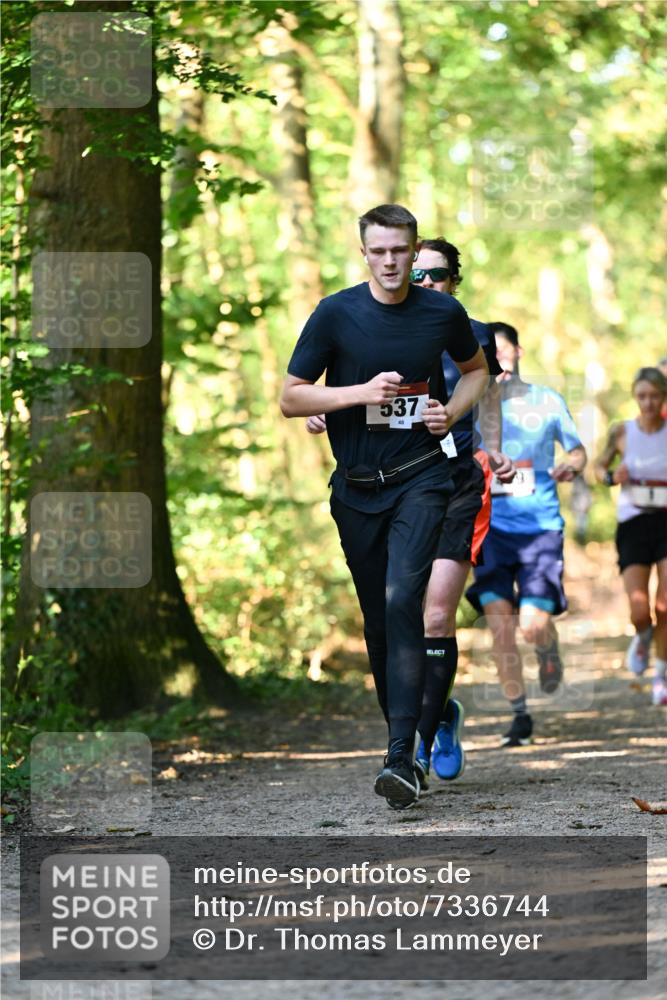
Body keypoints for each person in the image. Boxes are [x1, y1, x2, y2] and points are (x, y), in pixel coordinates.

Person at [280, 204, 489, 809]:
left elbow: (476, 373)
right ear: (364, 252)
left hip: (423, 476)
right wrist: (355, 395)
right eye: (380, 251)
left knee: (405, 600)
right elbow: (291, 398)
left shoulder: (443, 313)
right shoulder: (336, 314)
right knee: (379, 618)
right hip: (356, 489)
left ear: (413, 247)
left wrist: (448, 413)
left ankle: (402, 757)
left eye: (401, 250)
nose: (392, 262)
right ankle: (406, 733)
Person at [466, 322, 587, 746]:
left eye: (504, 351)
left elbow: (577, 451)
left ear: (518, 352)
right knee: (500, 626)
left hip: (539, 529)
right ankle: (519, 715)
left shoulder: (547, 400)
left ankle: (546, 644)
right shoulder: (472, 404)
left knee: (532, 625)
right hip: (489, 528)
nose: (498, 361)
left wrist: (573, 464)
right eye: (489, 355)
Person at [594, 366, 667, 705]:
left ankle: (661, 676)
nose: (648, 403)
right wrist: (612, 475)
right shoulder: (621, 431)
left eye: (654, 396)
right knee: (641, 610)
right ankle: (642, 635)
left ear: (663, 397)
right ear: (635, 398)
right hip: (634, 523)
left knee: (665, 605)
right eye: (642, 396)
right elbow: (597, 469)